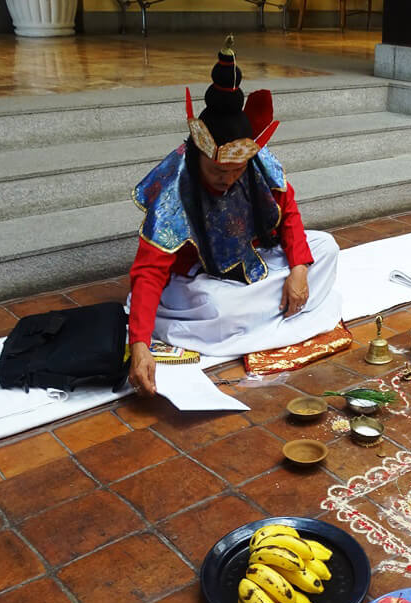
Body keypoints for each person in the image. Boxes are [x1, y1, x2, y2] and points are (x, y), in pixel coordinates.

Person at [127, 37, 341, 395]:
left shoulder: (257, 164)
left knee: (327, 247)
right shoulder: (174, 189)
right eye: (217, 171)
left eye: (236, 171)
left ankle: (269, 310)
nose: (227, 179)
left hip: (253, 260)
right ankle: (275, 316)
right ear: (197, 155)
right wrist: (139, 345)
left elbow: (288, 213)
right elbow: (149, 272)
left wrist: (300, 271)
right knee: (220, 307)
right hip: (201, 279)